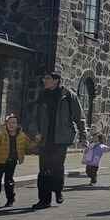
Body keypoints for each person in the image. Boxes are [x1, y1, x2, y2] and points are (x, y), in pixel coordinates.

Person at [32, 71, 87, 210]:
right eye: (45, 78)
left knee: (57, 168)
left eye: (47, 78)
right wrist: (35, 132)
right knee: (43, 170)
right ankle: (44, 200)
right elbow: (33, 116)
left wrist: (83, 136)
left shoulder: (68, 96)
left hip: (61, 139)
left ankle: (58, 191)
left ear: (56, 80)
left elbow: (79, 118)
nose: (44, 80)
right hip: (44, 139)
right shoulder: (42, 95)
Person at [0, 113, 34, 210]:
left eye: (14, 122)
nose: (12, 125)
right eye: (9, 122)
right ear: (6, 124)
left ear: (17, 124)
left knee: (9, 181)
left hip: (12, 161)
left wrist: (38, 142)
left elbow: (29, 145)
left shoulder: (22, 135)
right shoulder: (0, 133)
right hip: (1, 161)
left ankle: (10, 200)